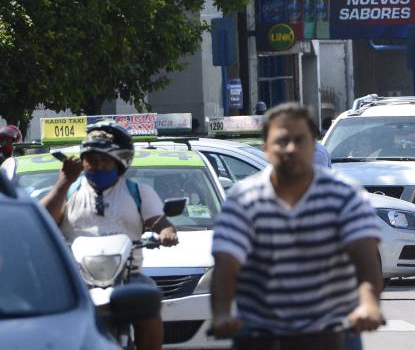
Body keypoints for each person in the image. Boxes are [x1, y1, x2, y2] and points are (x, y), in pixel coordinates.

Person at [210, 103, 383, 350]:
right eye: (282, 141)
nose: (291, 149)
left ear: (314, 146)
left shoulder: (345, 195)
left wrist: (369, 305)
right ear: (265, 149)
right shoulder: (243, 199)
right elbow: (226, 264)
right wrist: (222, 314)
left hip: (332, 330)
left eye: (300, 141)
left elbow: (365, 260)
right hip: (261, 333)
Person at [40, 121, 178, 350]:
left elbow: (160, 221)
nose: (98, 166)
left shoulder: (138, 192)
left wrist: (167, 232)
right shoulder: (70, 190)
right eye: (92, 161)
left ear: (120, 162)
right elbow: (43, 220)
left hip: (128, 276)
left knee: (150, 311)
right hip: (77, 278)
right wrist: (63, 182)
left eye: (105, 161)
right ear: (82, 162)